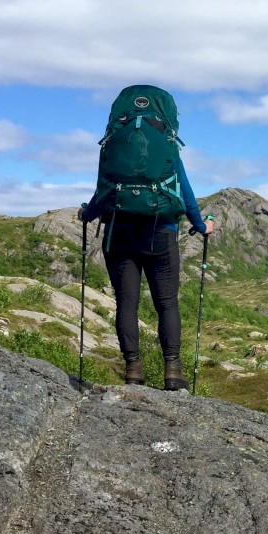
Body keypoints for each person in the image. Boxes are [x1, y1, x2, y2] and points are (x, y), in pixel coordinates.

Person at [79, 157, 213, 390]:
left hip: (119, 234)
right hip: (161, 233)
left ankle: (133, 368)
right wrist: (202, 226)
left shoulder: (115, 149)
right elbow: (187, 194)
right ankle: (172, 370)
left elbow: (102, 192)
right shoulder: (168, 150)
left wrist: (86, 214)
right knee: (167, 304)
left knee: (126, 304)